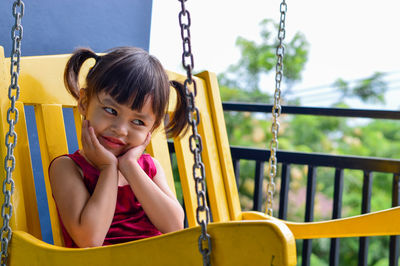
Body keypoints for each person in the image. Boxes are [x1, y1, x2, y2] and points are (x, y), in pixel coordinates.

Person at [49, 47, 188, 248]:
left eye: (138, 122)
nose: (121, 130)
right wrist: (108, 168)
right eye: (110, 110)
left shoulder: (148, 168)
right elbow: (89, 240)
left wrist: (130, 167)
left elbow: (175, 226)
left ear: (152, 128)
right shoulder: (68, 168)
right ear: (84, 102)